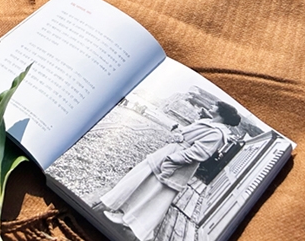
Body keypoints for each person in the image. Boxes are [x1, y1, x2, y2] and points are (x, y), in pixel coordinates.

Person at [98, 100, 241, 241]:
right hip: (170, 155)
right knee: (144, 184)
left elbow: (200, 153)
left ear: (221, 113)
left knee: (155, 193)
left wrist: (173, 160)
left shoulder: (217, 133)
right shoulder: (210, 123)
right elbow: (189, 136)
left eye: (215, 105)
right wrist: (180, 135)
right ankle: (124, 213)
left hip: (177, 165)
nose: (211, 105)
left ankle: (133, 223)